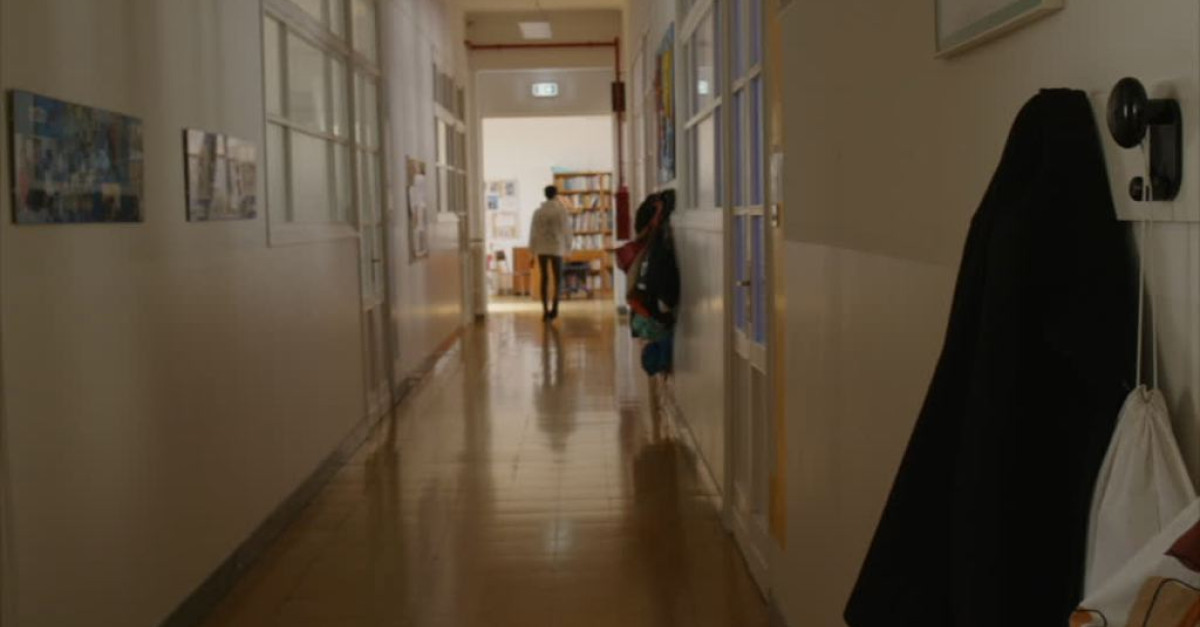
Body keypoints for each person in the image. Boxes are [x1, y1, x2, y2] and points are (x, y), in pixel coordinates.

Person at [528, 185, 573, 321]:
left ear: (545, 195)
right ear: (556, 195)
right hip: (557, 247)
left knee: (544, 278)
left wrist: (532, 252)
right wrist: (568, 249)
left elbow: (533, 232)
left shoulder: (538, 212)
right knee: (558, 279)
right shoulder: (561, 211)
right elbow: (567, 230)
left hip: (541, 248)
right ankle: (555, 309)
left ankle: (544, 310)